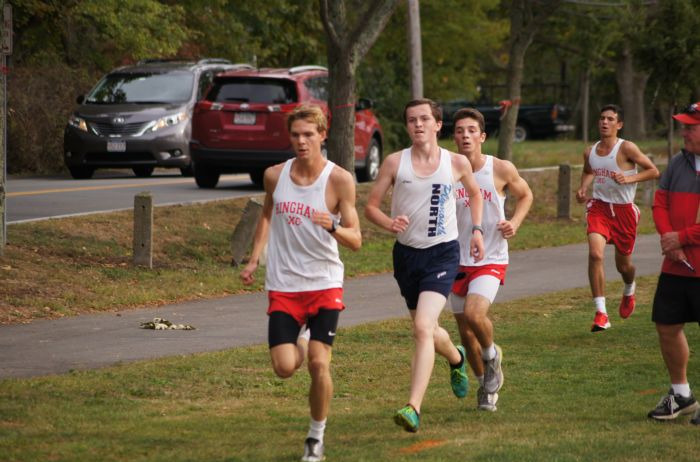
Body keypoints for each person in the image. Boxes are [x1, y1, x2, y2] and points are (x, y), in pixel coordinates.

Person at [240, 104, 362, 461]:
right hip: (284, 285)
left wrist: (333, 226)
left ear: (323, 135)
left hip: (324, 282)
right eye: (295, 135)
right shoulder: (275, 176)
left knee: (319, 364)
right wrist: (253, 257)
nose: (301, 141)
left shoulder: (338, 180)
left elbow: (356, 240)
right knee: (283, 368)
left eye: (309, 134)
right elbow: (266, 215)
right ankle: (305, 337)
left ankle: (315, 437)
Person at [365, 98, 485, 432]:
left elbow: (474, 195)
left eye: (423, 119)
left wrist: (475, 230)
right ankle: (457, 357)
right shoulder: (393, 163)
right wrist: (388, 222)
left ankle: (412, 407)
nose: (417, 125)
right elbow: (370, 207)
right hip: (407, 257)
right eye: (411, 120)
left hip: (442, 254)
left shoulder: (456, 162)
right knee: (428, 329)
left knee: (421, 328)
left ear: (437, 125)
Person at [448, 108, 533, 412]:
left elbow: (526, 195)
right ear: (454, 136)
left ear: (482, 136)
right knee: (465, 334)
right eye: (460, 130)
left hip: (490, 257)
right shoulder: (446, 168)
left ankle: (492, 354)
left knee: (474, 314)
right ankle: (486, 383)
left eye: (472, 130)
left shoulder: (500, 168)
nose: (465, 135)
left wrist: (515, 222)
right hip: (454, 261)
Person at [575, 104, 660, 332]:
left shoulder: (627, 148)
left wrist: (628, 179)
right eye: (602, 118)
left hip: (624, 212)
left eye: (610, 119)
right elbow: (588, 170)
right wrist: (583, 188)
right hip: (600, 208)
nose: (605, 122)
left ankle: (629, 288)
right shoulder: (590, 151)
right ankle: (601, 313)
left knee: (624, 266)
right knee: (595, 254)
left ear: (619, 124)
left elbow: (653, 171)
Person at [647, 102, 700, 423]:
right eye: (684, 126)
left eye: (691, 127)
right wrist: (669, 238)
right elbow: (660, 201)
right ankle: (681, 395)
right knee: (667, 325)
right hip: (676, 264)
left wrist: (683, 238)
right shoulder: (678, 163)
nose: (684, 132)